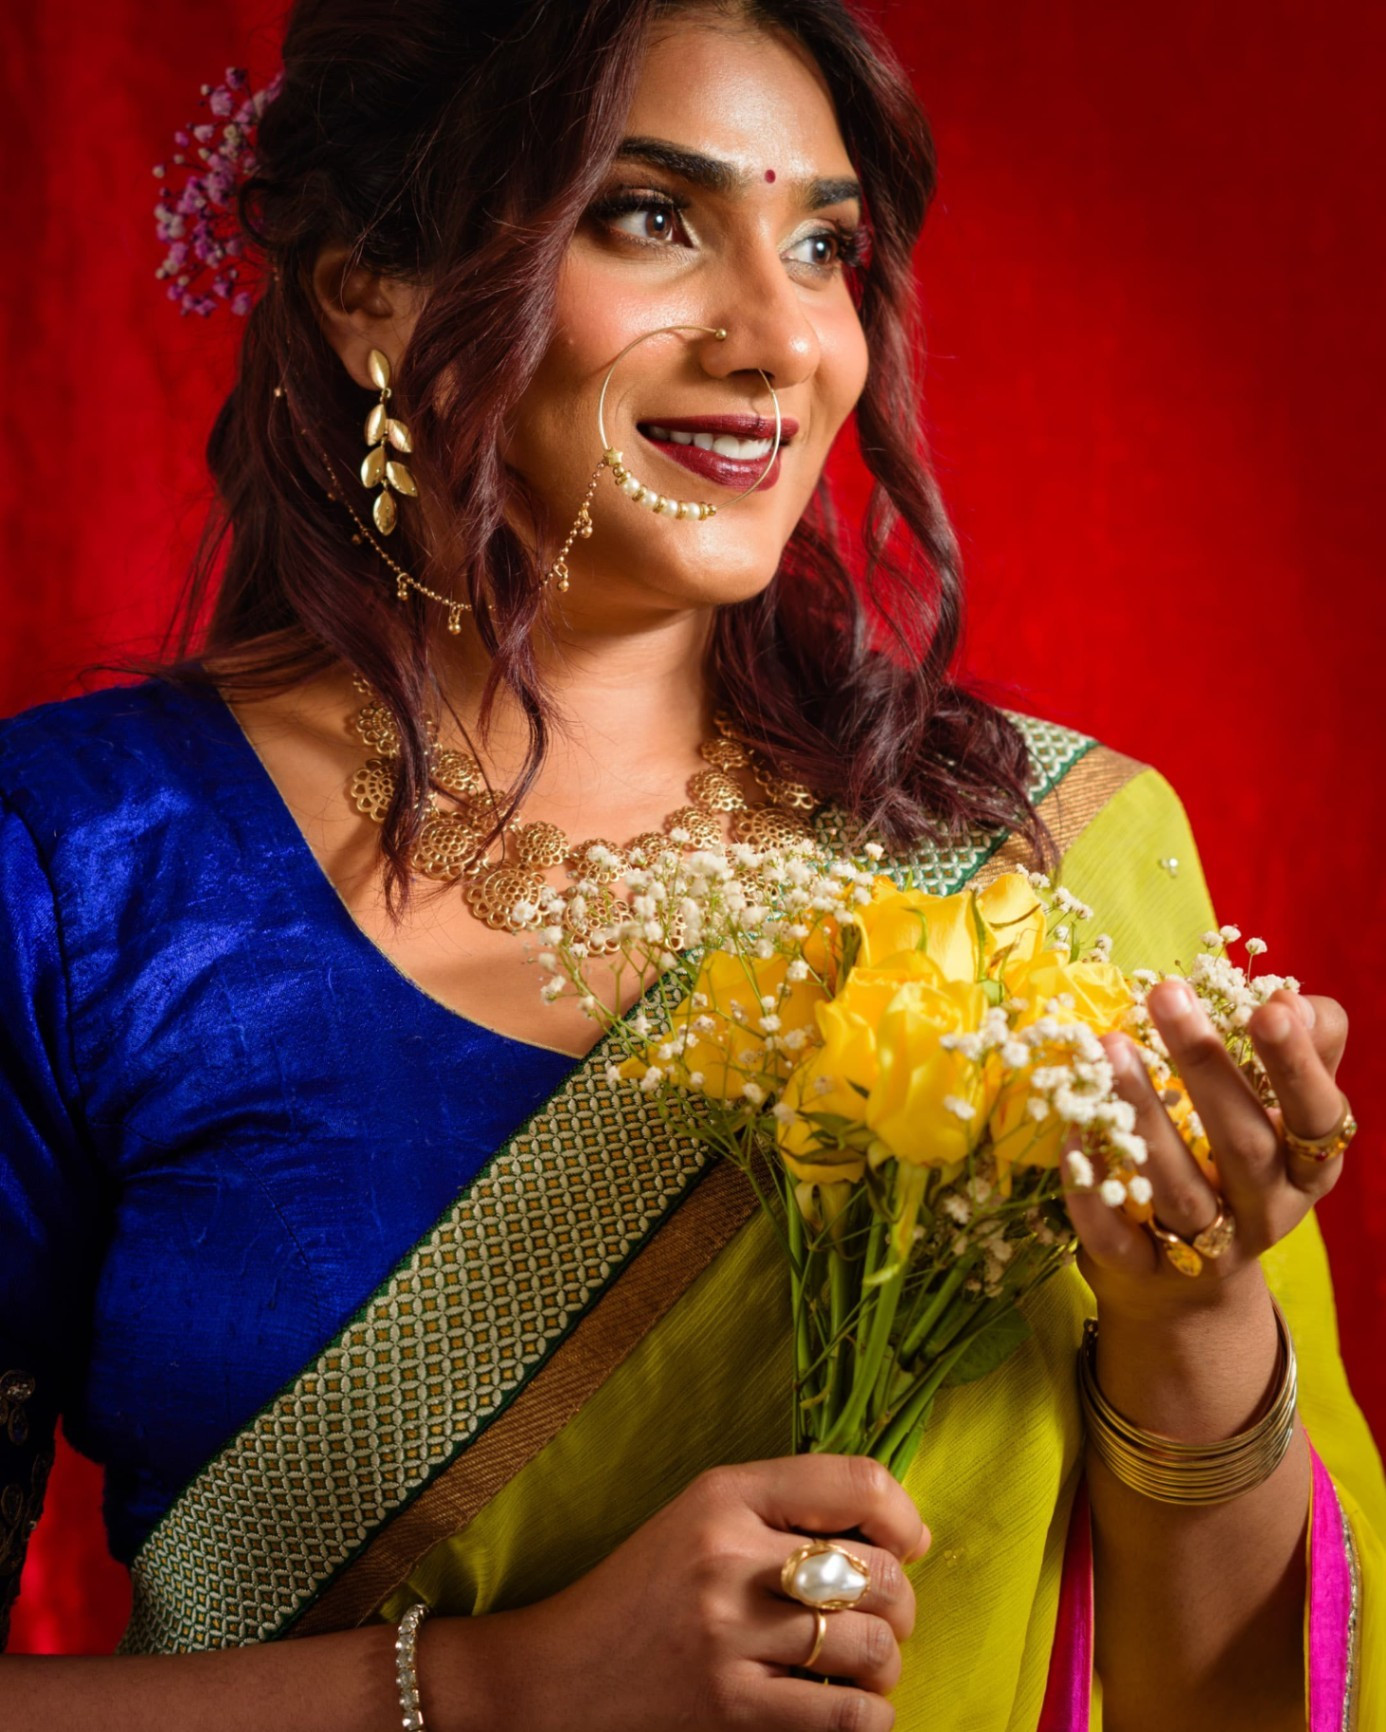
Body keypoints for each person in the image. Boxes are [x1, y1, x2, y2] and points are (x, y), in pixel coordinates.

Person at [1, 1, 1380, 1727]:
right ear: (368, 289)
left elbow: (1246, 1705)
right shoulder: (83, 869)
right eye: (649, 217)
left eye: (821, 247)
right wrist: (501, 1687)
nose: (780, 339)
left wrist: (1190, 1319)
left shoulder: (1031, 856)